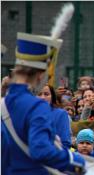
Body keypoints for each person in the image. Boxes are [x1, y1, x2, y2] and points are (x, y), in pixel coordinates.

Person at [1, 31, 85, 174]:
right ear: (40, 74)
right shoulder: (36, 106)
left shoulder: (4, 103)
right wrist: (76, 161)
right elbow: (41, 151)